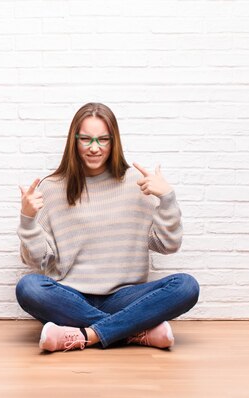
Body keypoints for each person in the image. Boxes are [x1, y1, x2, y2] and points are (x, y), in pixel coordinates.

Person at [15, 102, 199, 353]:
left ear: (114, 142)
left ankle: (85, 335)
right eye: (86, 139)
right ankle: (134, 332)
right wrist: (27, 219)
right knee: (29, 288)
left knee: (186, 286)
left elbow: (167, 245)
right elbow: (38, 259)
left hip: (124, 298)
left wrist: (167, 199)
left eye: (102, 139)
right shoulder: (51, 187)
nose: (94, 148)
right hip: (70, 297)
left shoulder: (137, 184)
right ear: (74, 141)